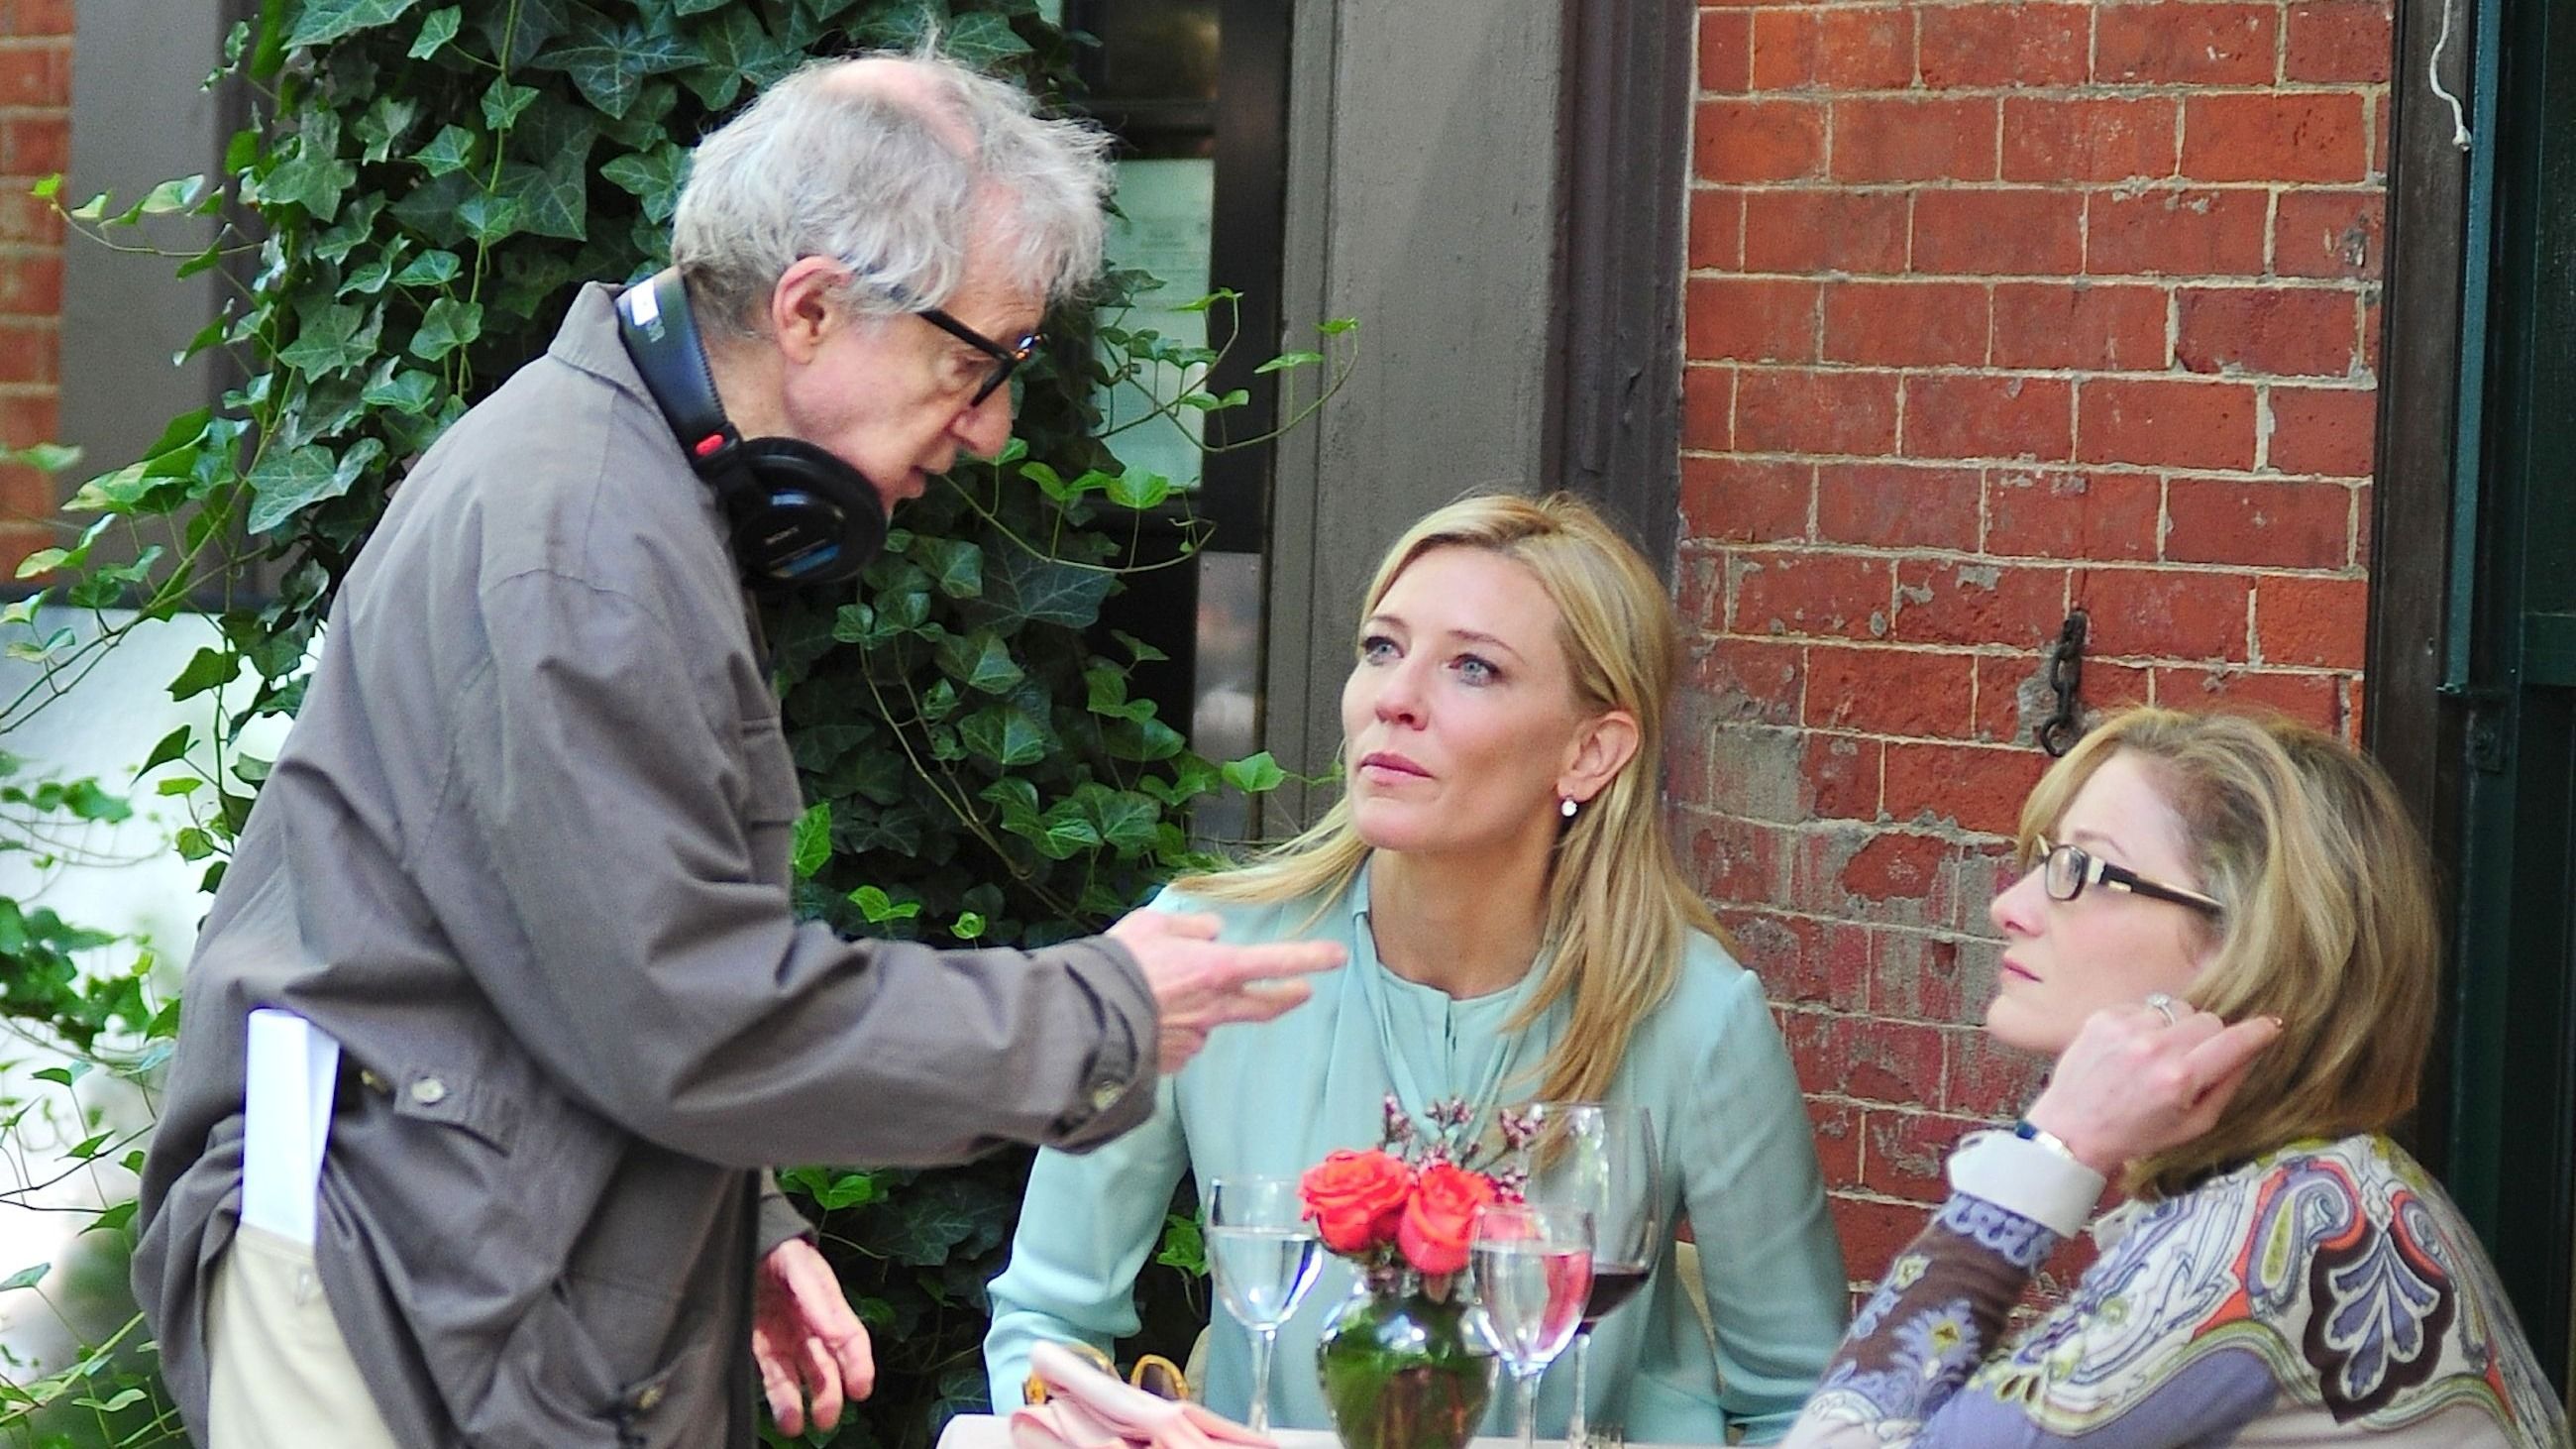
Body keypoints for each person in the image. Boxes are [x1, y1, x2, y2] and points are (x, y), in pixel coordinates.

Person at [132, 53, 1342, 1449]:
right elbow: (688, 1014)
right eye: (976, 361)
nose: (996, 426)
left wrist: (726, 1220)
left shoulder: (627, 482)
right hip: (394, 1288)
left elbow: (572, 968)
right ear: (813, 306)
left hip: (441, 1254)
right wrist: (1102, 1009)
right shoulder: (588, 538)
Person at [985, 493, 1850, 1444]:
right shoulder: (1201, 952)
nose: (1394, 698)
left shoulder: (1694, 1013)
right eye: (1382, 649)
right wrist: (1073, 1424)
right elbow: (1047, 1319)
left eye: (1472, 667)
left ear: (1590, 751)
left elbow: (1803, 1408)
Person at [1783, 708, 2571, 1448]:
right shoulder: (2323, 1189)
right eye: (2042, 861)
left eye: (2082, 868)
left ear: (2250, 942)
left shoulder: (2290, 1232)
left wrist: (2052, 1149)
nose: (2010, 908)